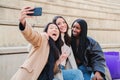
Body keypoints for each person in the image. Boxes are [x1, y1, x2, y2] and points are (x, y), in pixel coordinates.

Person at [11, 6, 63, 80]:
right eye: (51, 28)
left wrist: (59, 60)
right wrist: (23, 22)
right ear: (46, 32)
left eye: (56, 28)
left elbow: (51, 69)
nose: (55, 29)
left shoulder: (55, 49)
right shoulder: (43, 39)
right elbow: (32, 35)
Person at [53, 16, 84, 80]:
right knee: (78, 73)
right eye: (59, 24)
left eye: (64, 22)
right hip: (55, 69)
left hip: (64, 69)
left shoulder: (68, 39)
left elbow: (72, 59)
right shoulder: (54, 39)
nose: (62, 25)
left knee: (78, 73)